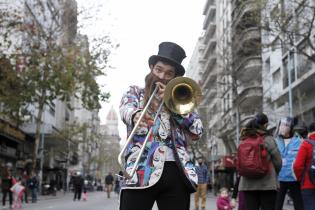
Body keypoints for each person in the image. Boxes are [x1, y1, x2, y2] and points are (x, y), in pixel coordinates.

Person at [119, 41, 203, 210]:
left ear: (174, 77)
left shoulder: (181, 98)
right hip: (140, 169)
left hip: (176, 171)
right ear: (151, 68)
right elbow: (126, 109)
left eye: (169, 73)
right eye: (159, 70)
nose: (162, 76)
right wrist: (135, 115)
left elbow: (197, 130)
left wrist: (173, 105)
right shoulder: (135, 92)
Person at [238, 113, 282, 210]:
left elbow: (239, 163)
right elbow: (278, 162)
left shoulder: (244, 139)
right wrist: (275, 174)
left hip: (247, 184)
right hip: (267, 184)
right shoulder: (268, 139)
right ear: (265, 125)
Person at [275, 117, 304, 210]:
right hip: (279, 179)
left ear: (291, 127)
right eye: (281, 125)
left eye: (286, 125)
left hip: (294, 178)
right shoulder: (275, 141)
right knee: (277, 206)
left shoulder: (299, 141)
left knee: (299, 205)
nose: (283, 127)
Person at [293, 122, 315, 210]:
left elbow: (297, 166)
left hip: (308, 184)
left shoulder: (306, 144)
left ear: (310, 132)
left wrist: (300, 178)